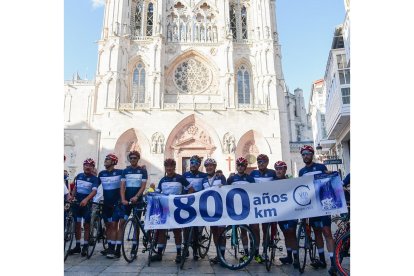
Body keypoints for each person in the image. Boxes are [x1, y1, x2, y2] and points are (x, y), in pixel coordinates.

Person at [298, 145, 337, 275]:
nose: (305, 156)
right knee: (317, 232)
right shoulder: (301, 172)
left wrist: (331, 175)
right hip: (311, 207)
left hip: (324, 204)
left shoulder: (321, 167)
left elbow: (328, 181)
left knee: (327, 232)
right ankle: (321, 260)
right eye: (303, 154)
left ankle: (333, 262)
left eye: (308, 154)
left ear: (312, 154)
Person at [150, 158, 190, 263]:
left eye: (171, 166)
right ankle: (159, 253)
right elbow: (158, 192)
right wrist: (151, 192)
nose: (169, 168)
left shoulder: (180, 178)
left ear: (174, 167)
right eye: (167, 166)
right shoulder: (163, 180)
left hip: (177, 208)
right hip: (165, 208)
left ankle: (178, 253)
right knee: (162, 230)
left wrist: (185, 199)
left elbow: (191, 189)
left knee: (177, 231)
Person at [227, 157, 264, 264]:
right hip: (238, 209)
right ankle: (247, 253)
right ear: (236, 166)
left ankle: (256, 253)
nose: (240, 167)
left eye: (242, 165)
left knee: (255, 230)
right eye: (238, 165)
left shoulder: (250, 179)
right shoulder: (231, 179)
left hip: (250, 208)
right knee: (243, 230)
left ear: (245, 167)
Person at [68, 158, 99, 256]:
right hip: (77, 204)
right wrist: (72, 197)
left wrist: (86, 199)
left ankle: (85, 246)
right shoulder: (79, 176)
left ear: (93, 167)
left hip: (87, 204)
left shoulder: (95, 179)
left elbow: (94, 191)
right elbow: (75, 188)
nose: (87, 167)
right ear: (83, 166)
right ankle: (77, 246)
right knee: (77, 225)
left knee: (86, 225)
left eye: (90, 165)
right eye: (86, 165)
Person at [119, 150, 148, 255]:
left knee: (136, 223)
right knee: (122, 222)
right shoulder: (125, 171)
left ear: (138, 159)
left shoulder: (143, 171)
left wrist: (137, 196)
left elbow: (143, 186)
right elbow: (122, 186)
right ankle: (118, 246)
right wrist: (122, 199)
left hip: (138, 200)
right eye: (131, 158)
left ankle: (134, 247)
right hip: (126, 200)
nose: (132, 160)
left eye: (134, 158)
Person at [249, 154, 278, 259]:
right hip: (255, 205)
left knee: (266, 229)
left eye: (263, 162)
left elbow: (279, 185)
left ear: (267, 163)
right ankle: (255, 250)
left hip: (267, 205)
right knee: (255, 228)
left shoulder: (272, 173)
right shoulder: (253, 173)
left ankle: (265, 251)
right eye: (259, 161)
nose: (261, 164)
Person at [200, 158, 227, 265]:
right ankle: (218, 254)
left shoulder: (220, 177)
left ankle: (223, 255)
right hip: (210, 210)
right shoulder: (204, 180)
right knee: (214, 232)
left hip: (220, 209)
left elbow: (226, 189)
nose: (209, 168)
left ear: (215, 167)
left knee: (222, 233)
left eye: (211, 165)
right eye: (207, 166)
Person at [98, 153, 124, 259]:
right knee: (108, 225)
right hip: (106, 203)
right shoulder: (101, 173)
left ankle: (115, 249)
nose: (105, 161)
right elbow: (95, 186)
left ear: (113, 162)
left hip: (117, 203)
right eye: (105, 159)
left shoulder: (120, 172)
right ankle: (110, 246)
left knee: (115, 225)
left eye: (108, 159)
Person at [274, 161, 299, 268]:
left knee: (291, 233)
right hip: (281, 212)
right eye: (277, 169)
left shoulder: (290, 181)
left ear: (285, 170)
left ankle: (296, 258)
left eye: (281, 169)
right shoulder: (272, 182)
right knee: (285, 233)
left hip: (291, 212)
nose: (278, 171)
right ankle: (289, 256)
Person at [183, 155, 208, 260]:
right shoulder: (184, 175)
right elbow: (182, 188)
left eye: (196, 163)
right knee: (186, 227)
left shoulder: (203, 175)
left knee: (197, 228)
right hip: (187, 203)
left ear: (199, 165)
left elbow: (209, 184)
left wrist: (219, 175)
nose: (194, 164)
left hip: (199, 203)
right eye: (192, 162)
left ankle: (195, 249)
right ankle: (185, 248)